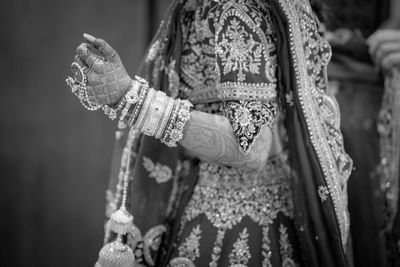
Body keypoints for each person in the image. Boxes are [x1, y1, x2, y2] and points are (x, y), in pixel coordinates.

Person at [66, 0, 352, 266]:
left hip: (233, 225)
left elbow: (252, 148)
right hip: (223, 201)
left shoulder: (233, 11)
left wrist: (135, 100)